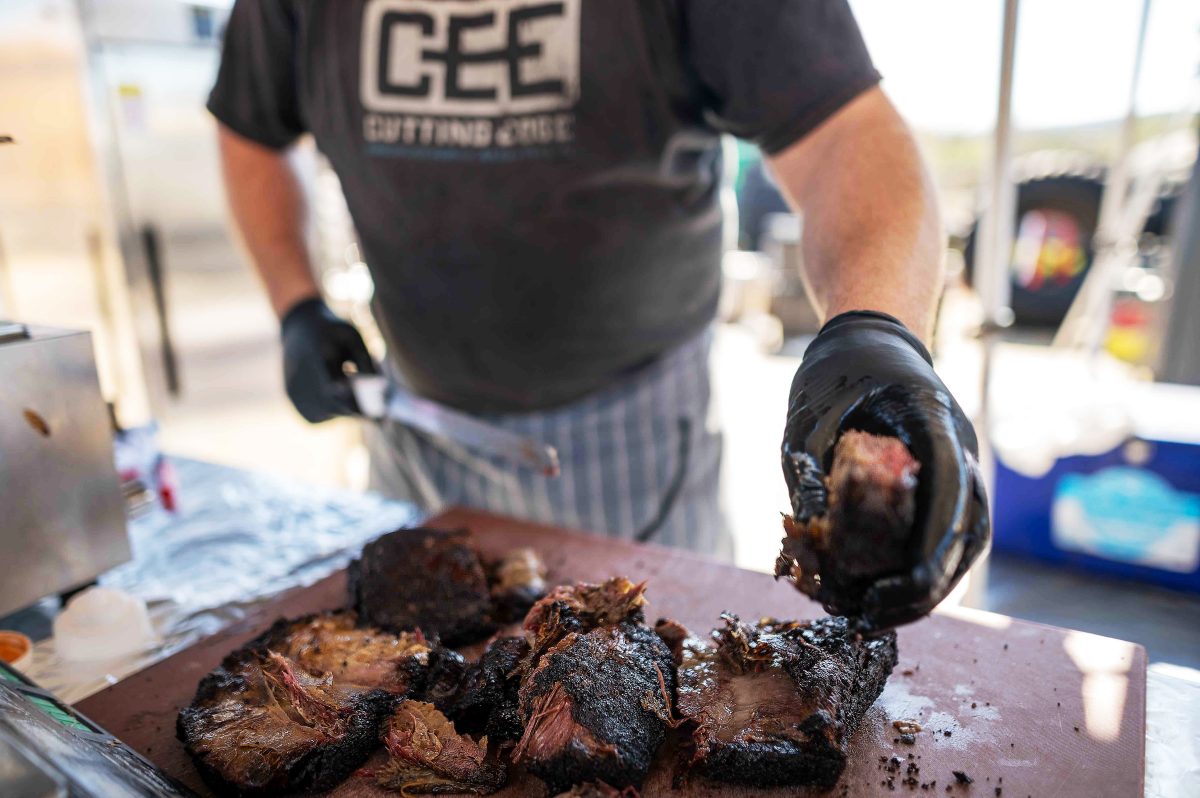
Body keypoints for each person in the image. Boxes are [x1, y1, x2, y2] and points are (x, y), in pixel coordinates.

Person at [209, 1, 987, 622]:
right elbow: (251, 129)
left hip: (633, 435)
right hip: (416, 426)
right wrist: (296, 304)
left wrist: (874, 330)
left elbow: (846, 138)